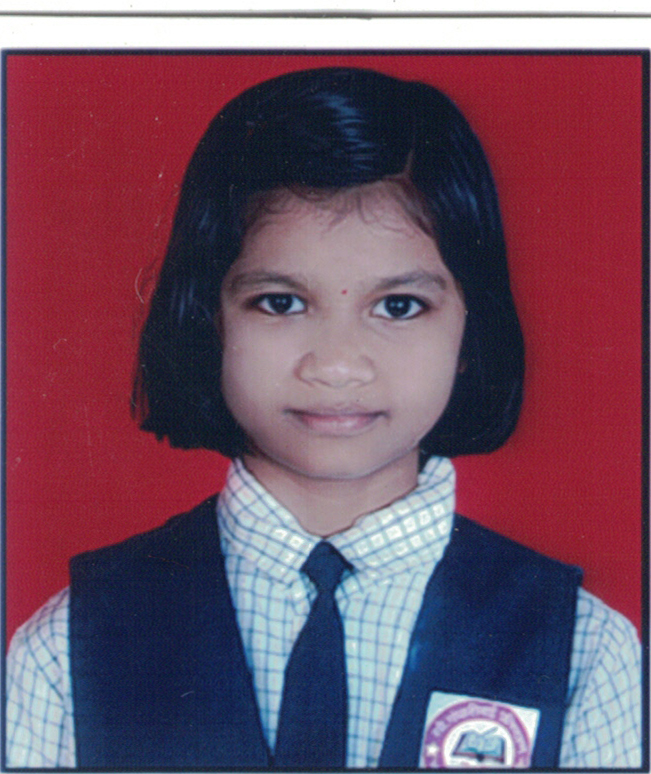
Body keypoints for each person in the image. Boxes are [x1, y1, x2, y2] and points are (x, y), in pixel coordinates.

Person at [6, 67, 641, 770]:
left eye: (398, 306)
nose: (337, 365)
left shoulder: (583, 654)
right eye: (280, 303)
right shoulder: (69, 649)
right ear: (208, 319)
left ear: (471, 330)